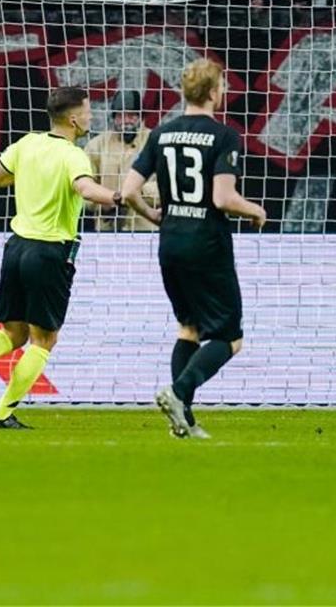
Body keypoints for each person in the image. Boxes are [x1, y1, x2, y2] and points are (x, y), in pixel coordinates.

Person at [0, 87, 132, 429]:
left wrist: (25, 178)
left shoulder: (27, 143)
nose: (91, 116)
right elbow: (85, 189)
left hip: (16, 247)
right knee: (44, 339)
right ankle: (2, 414)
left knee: (13, 333)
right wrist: (117, 196)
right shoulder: (74, 155)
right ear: (72, 118)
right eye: (87, 111)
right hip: (49, 252)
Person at [121, 59, 267, 439]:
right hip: (207, 243)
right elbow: (222, 198)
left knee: (189, 328)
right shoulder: (224, 136)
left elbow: (129, 191)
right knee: (229, 337)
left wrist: (156, 216)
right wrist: (255, 209)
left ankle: (182, 420)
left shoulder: (161, 134)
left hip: (170, 242)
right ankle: (179, 392)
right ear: (215, 92)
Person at [84, 91, 159, 232]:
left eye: (131, 115)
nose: (125, 121)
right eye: (120, 116)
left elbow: (169, 187)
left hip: (146, 229)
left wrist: (135, 193)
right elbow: (82, 190)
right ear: (113, 118)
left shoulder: (156, 141)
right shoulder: (97, 145)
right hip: (106, 231)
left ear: (140, 117)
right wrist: (104, 201)